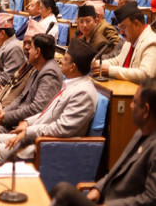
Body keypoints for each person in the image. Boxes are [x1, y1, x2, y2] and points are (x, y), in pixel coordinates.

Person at [50, 78, 156, 206]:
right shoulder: (140, 133)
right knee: (62, 191)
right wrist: (98, 188)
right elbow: (116, 171)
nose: (130, 105)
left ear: (145, 110)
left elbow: (151, 199)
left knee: (63, 192)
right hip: (103, 198)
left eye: (134, 102)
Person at [0, 38, 97, 162]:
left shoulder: (84, 93)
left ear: (72, 67)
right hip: (36, 134)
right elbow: (48, 113)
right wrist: (28, 123)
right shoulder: (71, 84)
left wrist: (28, 131)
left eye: (65, 59)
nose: (61, 61)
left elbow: (61, 128)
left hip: (47, 146)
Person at [0, 32, 63, 132]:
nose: (28, 50)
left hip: (28, 128)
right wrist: (2, 113)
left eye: (31, 47)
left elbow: (37, 108)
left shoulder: (50, 73)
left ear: (37, 52)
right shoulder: (37, 68)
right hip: (17, 121)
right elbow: (21, 98)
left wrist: (6, 117)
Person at [93, 2, 156, 83]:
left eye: (123, 27)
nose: (121, 33)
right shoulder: (130, 40)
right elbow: (118, 61)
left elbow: (145, 74)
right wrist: (97, 64)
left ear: (136, 24)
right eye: (119, 28)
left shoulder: (151, 42)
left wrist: (110, 70)